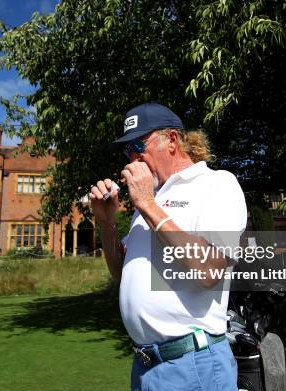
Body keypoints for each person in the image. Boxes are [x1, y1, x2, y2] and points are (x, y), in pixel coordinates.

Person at [90, 103, 247, 390]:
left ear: (172, 140)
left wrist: (148, 205)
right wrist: (107, 222)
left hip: (193, 364)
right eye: (128, 151)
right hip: (145, 366)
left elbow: (209, 270)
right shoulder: (150, 198)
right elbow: (119, 271)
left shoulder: (217, 184)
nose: (133, 158)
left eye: (139, 145)